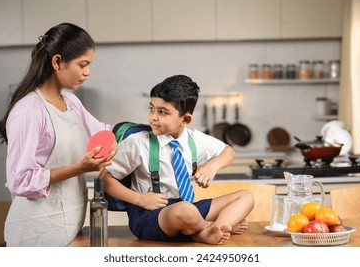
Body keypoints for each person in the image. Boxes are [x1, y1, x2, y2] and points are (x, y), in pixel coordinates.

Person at [100, 75, 254, 245]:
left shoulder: (194, 140)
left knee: (245, 197)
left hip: (186, 209)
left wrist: (213, 166)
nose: (153, 117)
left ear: (185, 120)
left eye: (163, 112)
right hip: (149, 214)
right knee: (186, 210)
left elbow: (228, 151)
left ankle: (215, 228)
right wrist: (140, 199)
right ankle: (209, 228)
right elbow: (105, 178)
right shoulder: (138, 142)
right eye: (152, 109)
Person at [0, 23, 114, 247]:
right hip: (36, 233)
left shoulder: (71, 102)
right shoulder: (29, 111)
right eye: (83, 64)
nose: (87, 72)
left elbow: (103, 131)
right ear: (57, 62)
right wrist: (78, 169)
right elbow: (19, 181)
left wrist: (138, 131)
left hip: (68, 227)